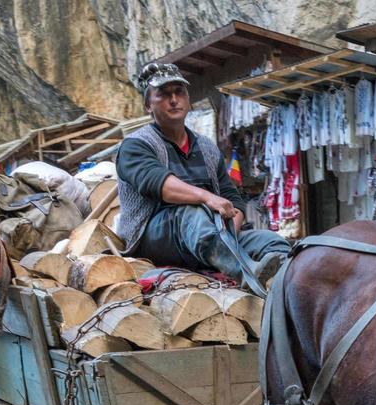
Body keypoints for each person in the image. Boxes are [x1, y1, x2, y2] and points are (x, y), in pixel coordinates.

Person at [116, 62, 288, 286]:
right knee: (189, 213)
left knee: (270, 241)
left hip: (210, 237)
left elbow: (232, 197)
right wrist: (207, 197)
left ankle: (286, 290)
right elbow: (161, 185)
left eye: (179, 92)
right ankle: (245, 273)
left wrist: (232, 226)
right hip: (154, 239)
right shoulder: (135, 145)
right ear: (148, 105)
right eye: (164, 94)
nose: (174, 99)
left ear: (188, 99)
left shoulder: (207, 147)